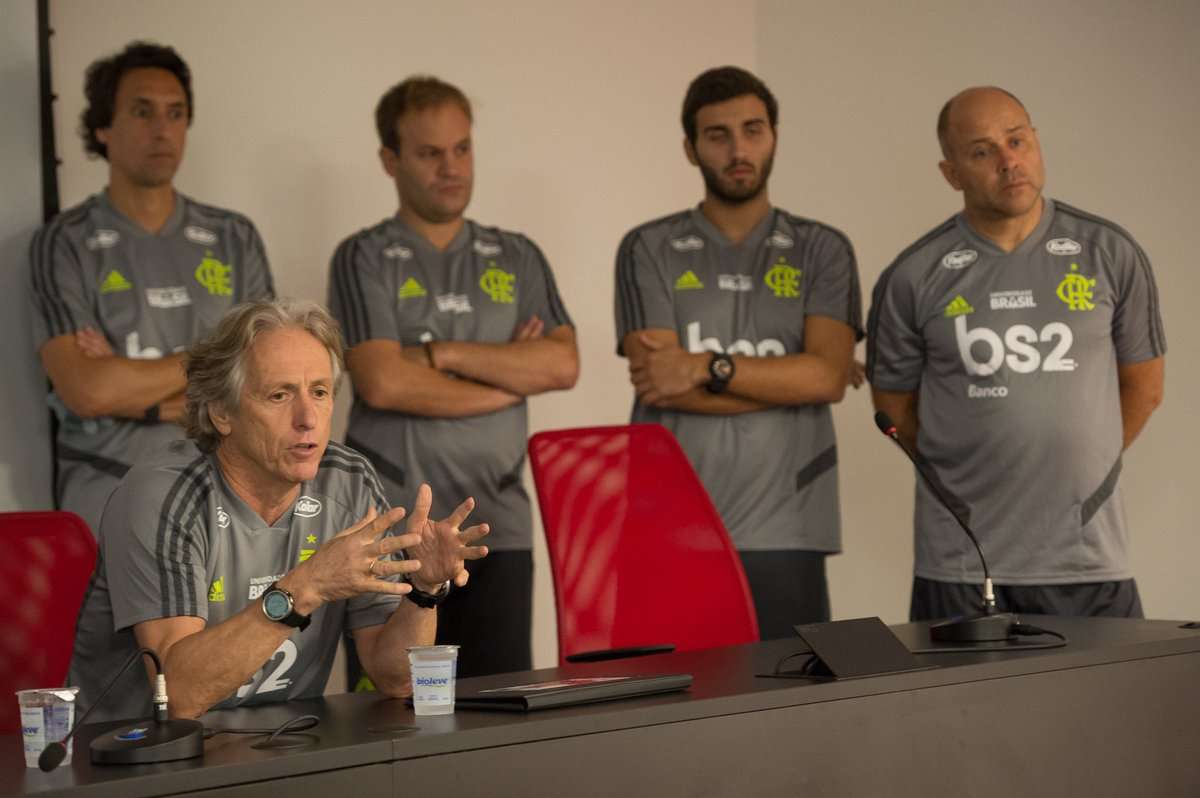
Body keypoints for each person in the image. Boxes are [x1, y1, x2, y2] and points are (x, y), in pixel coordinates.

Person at [68, 299, 488, 722]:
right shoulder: (161, 494)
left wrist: (423, 592)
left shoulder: (348, 481)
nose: (308, 418)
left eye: (320, 392)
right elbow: (179, 695)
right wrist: (308, 585)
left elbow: (395, 678)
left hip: (277, 748)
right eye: (279, 395)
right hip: (135, 758)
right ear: (222, 412)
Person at [867, 86, 1166, 620]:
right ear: (952, 173)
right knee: (959, 707)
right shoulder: (913, 275)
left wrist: (1079, 465)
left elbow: (1144, 388)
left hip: (1088, 559)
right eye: (982, 151)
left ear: (1035, 142)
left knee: (1104, 706)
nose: (1009, 161)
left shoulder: (1109, 254)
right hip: (961, 564)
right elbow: (894, 411)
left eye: (1017, 140)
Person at [328, 76, 578, 677]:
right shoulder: (361, 256)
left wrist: (434, 352)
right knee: (393, 717)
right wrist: (507, 376)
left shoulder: (518, 256)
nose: (451, 167)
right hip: (390, 532)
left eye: (462, 148)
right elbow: (383, 382)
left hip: (499, 526)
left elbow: (561, 364)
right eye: (430, 152)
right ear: (390, 160)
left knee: (500, 721)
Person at [613, 66, 862, 639]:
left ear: (774, 136)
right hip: (671, 526)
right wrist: (795, 378)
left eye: (753, 130)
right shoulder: (646, 248)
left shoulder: (822, 249)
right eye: (718, 135)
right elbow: (657, 380)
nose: (738, 149)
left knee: (784, 711)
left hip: (789, 526)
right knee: (668, 717)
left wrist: (705, 368)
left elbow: (823, 380)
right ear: (691, 147)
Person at [29, 41, 275, 535]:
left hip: (225, 485)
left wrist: (137, 393)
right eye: (142, 112)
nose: (163, 129)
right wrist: (215, 362)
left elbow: (265, 379)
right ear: (103, 127)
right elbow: (87, 390)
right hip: (107, 490)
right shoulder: (65, 240)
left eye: (176, 113)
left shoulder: (233, 236)